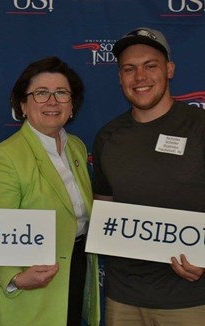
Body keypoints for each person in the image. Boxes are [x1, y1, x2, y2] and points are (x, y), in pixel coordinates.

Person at [92, 27, 205, 325]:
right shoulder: (107, 137)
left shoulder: (200, 127)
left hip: (190, 299)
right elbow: (104, 207)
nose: (139, 77)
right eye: (129, 69)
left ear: (169, 69)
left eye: (150, 66)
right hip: (122, 299)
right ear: (120, 77)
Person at [0, 56, 99, 326]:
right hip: (28, 288)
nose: (52, 101)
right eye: (41, 93)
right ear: (23, 105)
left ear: (72, 105)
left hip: (74, 273)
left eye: (61, 93)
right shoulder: (5, 156)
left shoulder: (77, 147)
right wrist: (16, 278)